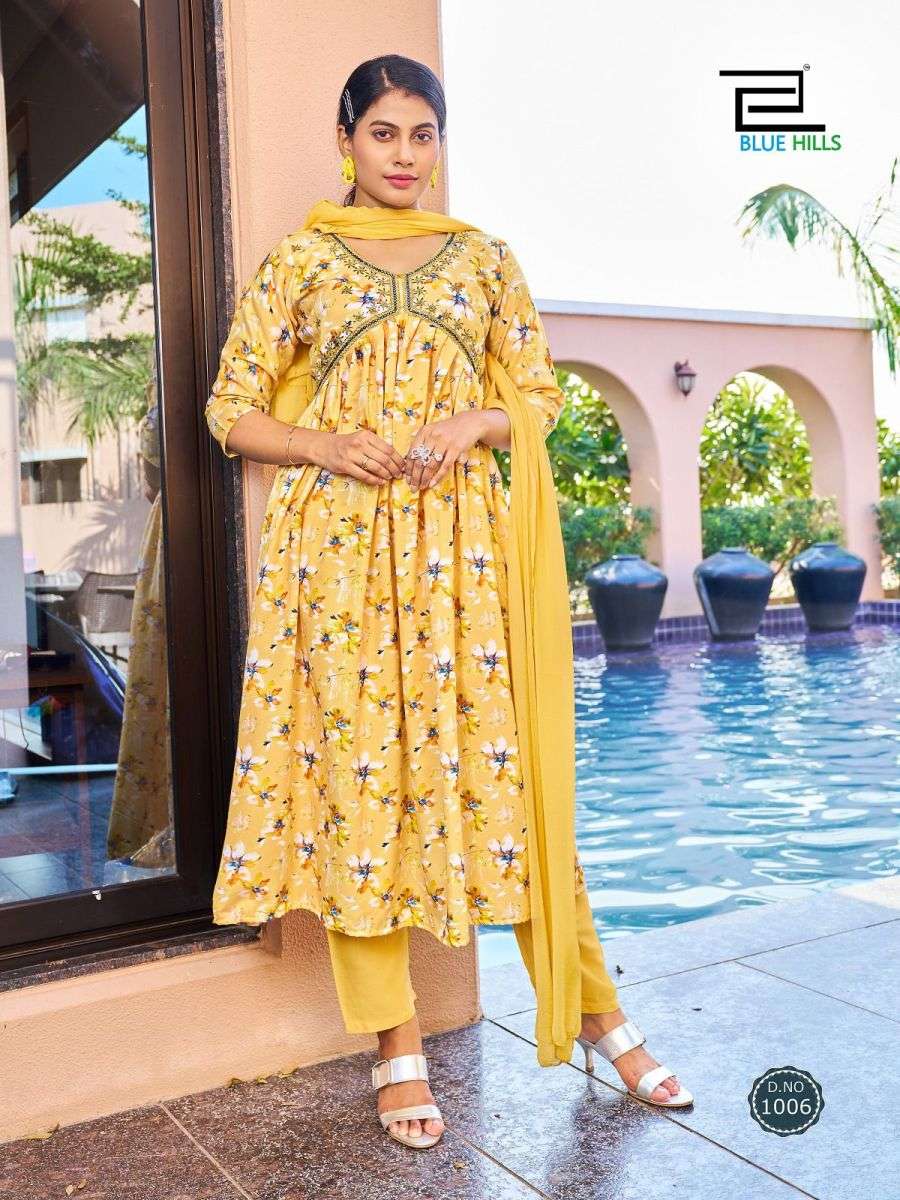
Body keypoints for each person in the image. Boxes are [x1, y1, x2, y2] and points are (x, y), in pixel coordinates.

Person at [205, 54, 693, 1150]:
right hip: (337, 562)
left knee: (509, 782)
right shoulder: (301, 262)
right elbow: (230, 410)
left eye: (422, 134)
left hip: (463, 559)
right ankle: (397, 1041)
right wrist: (323, 444)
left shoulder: (485, 259)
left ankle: (597, 1012)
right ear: (346, 140)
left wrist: (474, 423)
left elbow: (537, 396)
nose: (405, 155)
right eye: (383, 132)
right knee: (363, 789)